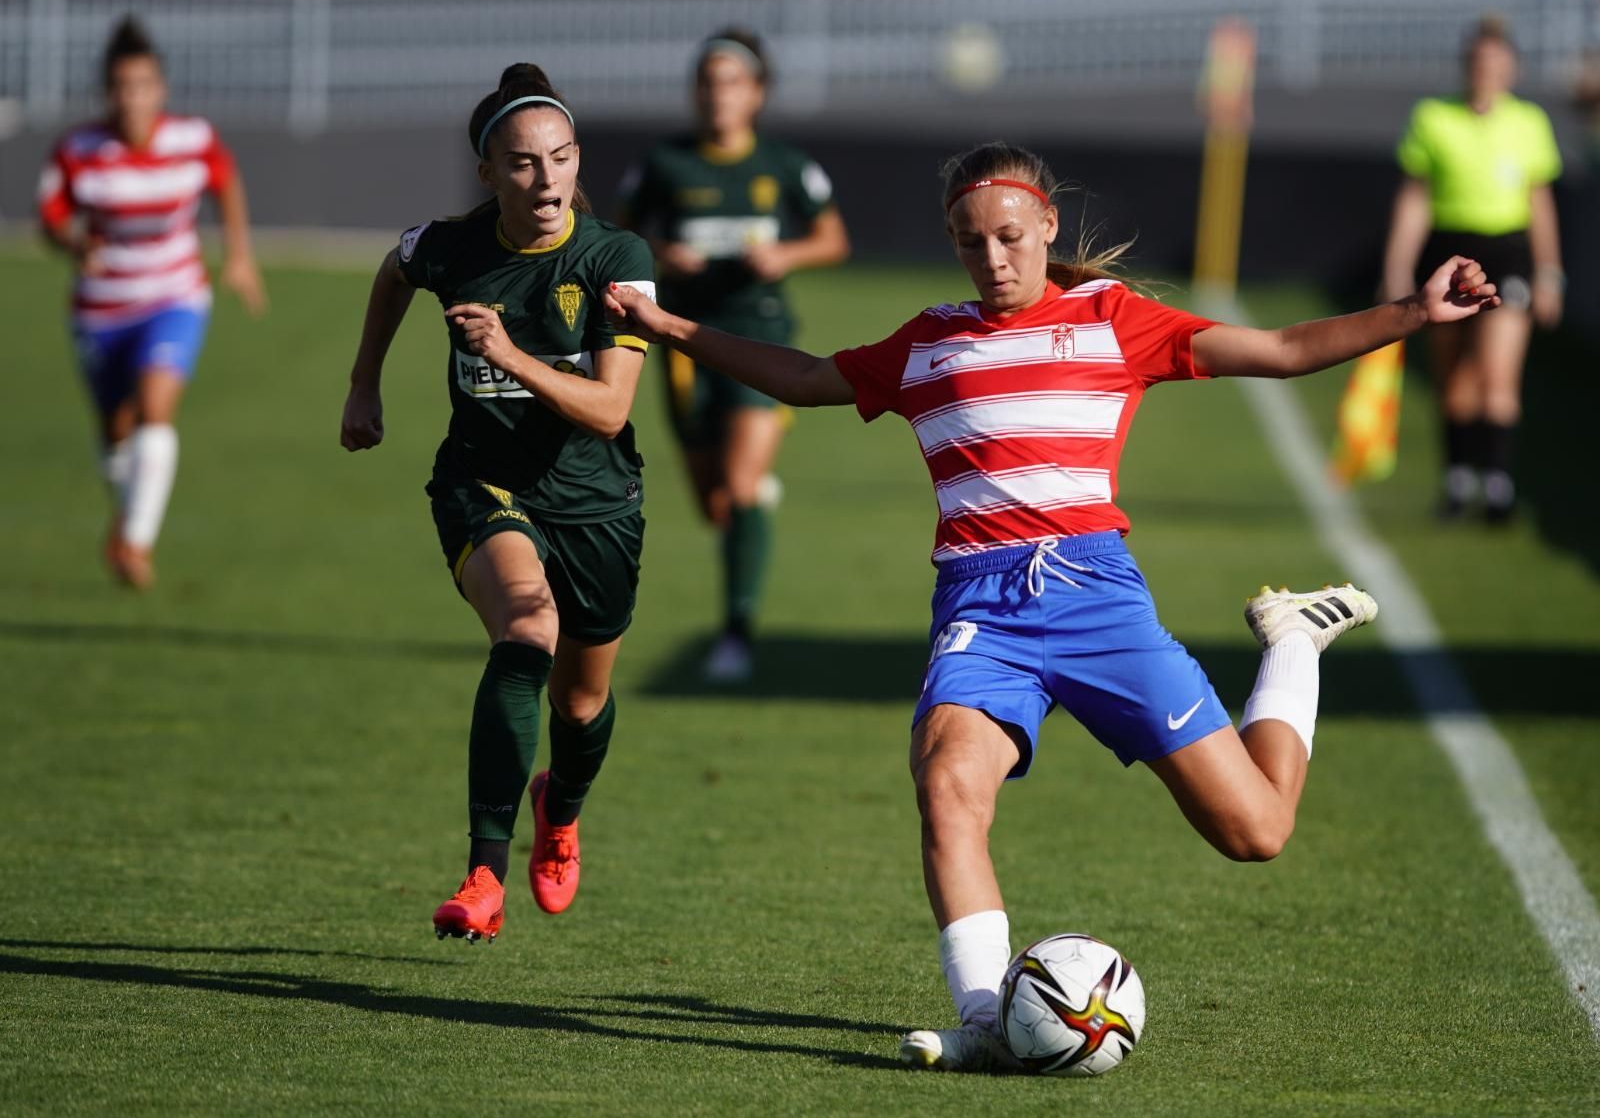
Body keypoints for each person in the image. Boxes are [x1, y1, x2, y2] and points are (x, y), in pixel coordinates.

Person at [607, 142, 1500, 1071]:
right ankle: (989, 1020)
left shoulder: (1114, 321)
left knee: (1257, 832)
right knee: (947, 786)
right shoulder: (925, 343)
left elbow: (1278, 351)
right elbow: (802, 379)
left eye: (1006, 236)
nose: (991, 257)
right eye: (968, 241)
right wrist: (670, 327)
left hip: (1097, 595)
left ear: (1046, 227)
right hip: (980, 606)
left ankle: (1293, 644)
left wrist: (1415, 311)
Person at [340, 64, 657, 942]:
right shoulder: (450, 245)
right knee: (527, 628)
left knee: (582, 705)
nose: (546, 178)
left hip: (597, 501)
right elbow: (396, 267)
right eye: (522, 164)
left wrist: (511, 354)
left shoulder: (616, 258)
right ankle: (483, 872)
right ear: (490, 175)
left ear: (577, 160)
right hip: (484, 484)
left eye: (559, 158)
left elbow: (610, 409)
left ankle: (561, 806)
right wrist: (364, 383)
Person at [617, 28, 850, 682]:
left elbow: (834, 238)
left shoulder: (782, 164)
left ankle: (737, 634)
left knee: (741, 486)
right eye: (707, 82)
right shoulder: (666, 163)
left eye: (731, 82)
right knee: (714, 504)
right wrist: (661, 252)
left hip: (762, 334)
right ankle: (749, 509)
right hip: (682, 339)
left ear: (756, 93)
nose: (717, 95)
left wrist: (784, 253)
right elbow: (618, 232)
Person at [38, 15, 266, 589]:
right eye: (120, 87)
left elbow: (225, 181)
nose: (131, 98)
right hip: (101, 308)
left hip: (174, 295)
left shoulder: (191, 138)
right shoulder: (79, 150)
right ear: (107, 92)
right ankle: (126, 519)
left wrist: (238, 255)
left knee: (155, 408)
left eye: (142, 86)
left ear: (160, 89)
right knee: (115, 431)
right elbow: (50, 218)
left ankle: (134, 542)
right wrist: (73, 244)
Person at [1380, 14, 1562, 523]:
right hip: (1451, 252)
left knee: (1499, 376)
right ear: (1467, 66)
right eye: (1480, 62)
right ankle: (1458, 479)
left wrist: (1549, 272)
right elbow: (1415, 198)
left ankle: (1499, 484)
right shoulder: (1434, 117)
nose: (1488, 72)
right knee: (1453, 375)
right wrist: (1398, 266)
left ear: (1512, 70)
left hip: (1508, 253)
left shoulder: (1528, 123)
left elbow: (1539, 201)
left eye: (1498, 63)